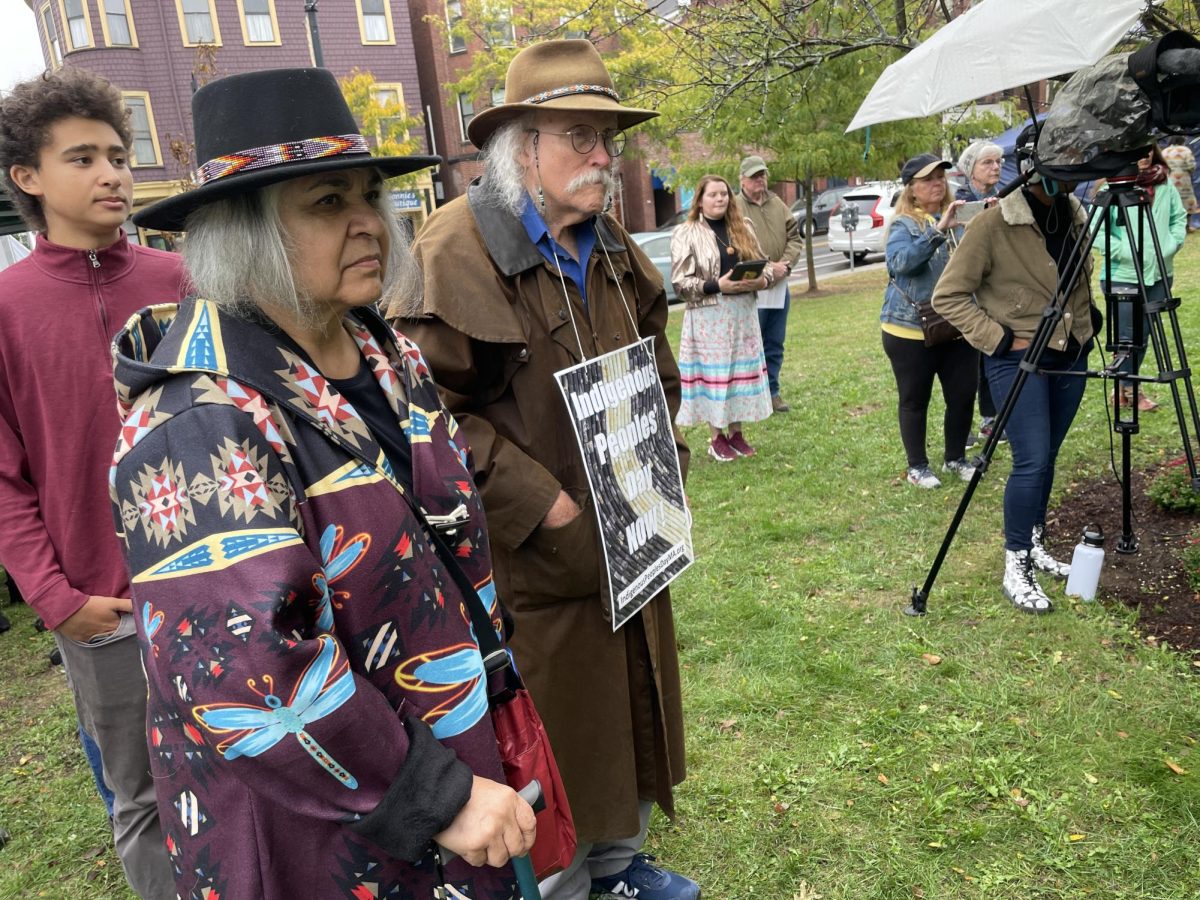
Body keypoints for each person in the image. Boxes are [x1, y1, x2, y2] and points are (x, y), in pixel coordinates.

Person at [114, 68, 535, 898]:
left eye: (370, 195)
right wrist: (438, 797)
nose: (368, 222)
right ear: (242, 232)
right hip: (317, 827)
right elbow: (248, 670)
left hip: (449, 777)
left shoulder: (388, 356)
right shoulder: (194, 420)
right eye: (326, 203)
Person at [393, 39, 698, 900]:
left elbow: (654, 358)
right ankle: (566, 884)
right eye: (580, 137)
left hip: (632, 533)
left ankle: (620, 868)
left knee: (632, 707)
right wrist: (548, 504)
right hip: (529, 562)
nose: (605, 157)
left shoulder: (608, 241)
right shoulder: (449, 253)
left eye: (610, 139)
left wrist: (659, 458)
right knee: (556, 738)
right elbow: (424, 416)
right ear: (521, 147)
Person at [0, 68, 185, 898]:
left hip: (212, 580)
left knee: (248, 760)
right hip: (100, 609)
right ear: (27, 177)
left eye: (118, 154)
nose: (112, 172)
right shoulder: (5, 308)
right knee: (141, 796)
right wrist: (56, 598)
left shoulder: (179, 282)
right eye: (83, 158)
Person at [933, 158, 1096, 614]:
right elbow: (947, 295)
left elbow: (1075, 281)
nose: (1075, 174)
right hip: (1016, 360)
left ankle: (1036, 543)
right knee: (1031, 459)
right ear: (1035, 165)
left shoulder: (1075, 212)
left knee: (1048, 458)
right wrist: (1001, 338)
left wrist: (1088, 323)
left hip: (1071, 353)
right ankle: (1016, 563)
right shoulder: (993, 222)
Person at [880, 154, 977, 489]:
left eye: (940, 177)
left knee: (963, 395)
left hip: (958, 324)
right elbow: (901, 263)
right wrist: (938, 230)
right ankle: (917, 466)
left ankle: (955, 458)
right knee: (915, 399)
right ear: (912, 190)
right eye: (927, 179)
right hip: (909, 329)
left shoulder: (961, 216)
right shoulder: (903, 224)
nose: (937, 183)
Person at [672, 173, 774, 460]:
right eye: (713, 194)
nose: (720, 199)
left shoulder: (743, 227)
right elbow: (680, 284)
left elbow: (764, 267)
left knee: (738, 376)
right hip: (709, 317)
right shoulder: (687, 232)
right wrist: (718, 285)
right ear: (700, 201)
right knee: (716, 378)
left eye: (724, 194)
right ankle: (717, 437)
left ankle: (736, 434)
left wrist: (760, 281)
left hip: (742, 314)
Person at [1099, 144, 1186, 412]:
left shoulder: (1165, 185)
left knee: (1145, 335)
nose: (1145, 157)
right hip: (1123, 274)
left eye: (1148, 151)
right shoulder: (1109, 190)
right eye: (1138, 151)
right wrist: (1124, 251)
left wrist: (1169, 245)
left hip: (1159, 273)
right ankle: (1131, 391)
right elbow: (1096, 229)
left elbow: (1178, 218)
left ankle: (1122, 388)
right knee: (1127, 338)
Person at [736, 155, 803, 413]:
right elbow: (736, 246)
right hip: (753, 288)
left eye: (762, 174)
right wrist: (766, 266)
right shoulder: (735, 207)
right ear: (742, 180)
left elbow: (794, 237)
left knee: (774, 341)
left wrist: (785, 264)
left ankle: (772, 392)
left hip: (779, 287)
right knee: (752, 343)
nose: (759, 180)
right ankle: (751, 395)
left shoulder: (777, 203)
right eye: (754, 176)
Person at [955, 141, 1005, 442]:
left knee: (990, 355)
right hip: (969, 295)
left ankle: (991, 418)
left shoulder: (1000, 198)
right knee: (969, 363)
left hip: (994, 291)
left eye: (998, 161)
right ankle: (967, 425)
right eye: (988, 162)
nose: (996, 167)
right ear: (970, 168)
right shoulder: (962, 202)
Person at [1161, 136, 1199, 232]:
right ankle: (1186, 226)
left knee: (1171, 202)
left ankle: (1171, 226)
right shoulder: (1185, 150)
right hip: (1183, 180)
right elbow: (1191, 165)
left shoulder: (1164, 151)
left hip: (1168, 180)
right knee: (1187, 203)